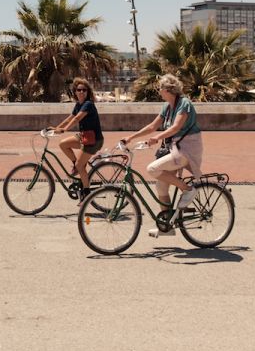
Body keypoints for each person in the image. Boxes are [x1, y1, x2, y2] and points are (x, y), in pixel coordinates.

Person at [122, 74, 203, 237]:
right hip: (175, 148)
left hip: (187, 149)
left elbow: (175, 127)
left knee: (152, 169)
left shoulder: (184, 104)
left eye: (160, 88)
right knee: (160, 186)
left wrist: (157, 138)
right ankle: (167, 226)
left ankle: (188, 189)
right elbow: (152, 126)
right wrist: (131, 137)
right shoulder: (167, 107)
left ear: (168, 90)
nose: (159, 91)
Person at [50, 77, 104, 204]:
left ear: (88, 92)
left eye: (84, 90)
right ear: (75, 92)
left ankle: (86, 193)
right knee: (63, 144)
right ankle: (76, 165)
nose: (81, 92)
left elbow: (77, 119)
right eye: (79, 90)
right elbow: (70, 118)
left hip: (93, 140)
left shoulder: (88, 104)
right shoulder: (78, 104)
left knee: (81, 166)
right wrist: (57, 128)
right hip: (84, 136)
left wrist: (64, 130)